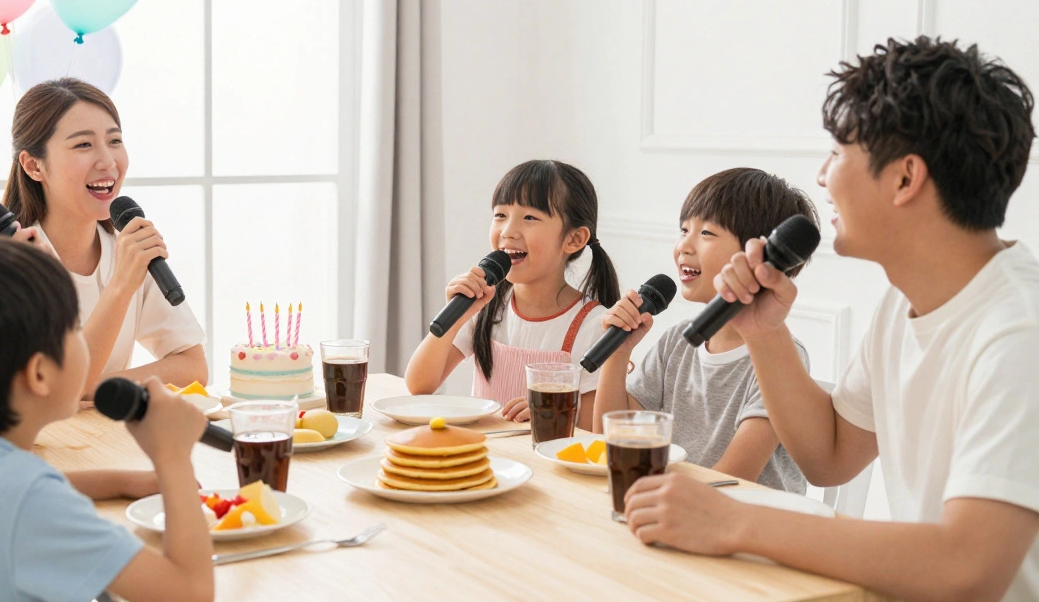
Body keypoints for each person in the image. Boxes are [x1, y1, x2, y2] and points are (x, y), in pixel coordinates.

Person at [620, 37, 1039, 602]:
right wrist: (765, 331)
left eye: (838, 153)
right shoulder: (904, 303)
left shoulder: (1018, 332)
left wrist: (736, 521)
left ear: (904, 178)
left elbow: (970, 566)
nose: (822, 176)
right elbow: (830, 456)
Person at [0, 238, 214, 601]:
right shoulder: (27, 502)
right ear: (40, 374)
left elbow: (2, 491)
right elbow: (191, 593)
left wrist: (124, 481)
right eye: (75, 329)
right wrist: (171, 457)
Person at [592, 168, 817, 492]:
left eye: (707, 233)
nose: (684, 245)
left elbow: (732, 478)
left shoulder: (781, 360)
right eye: (684, 230)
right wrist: (619, 351)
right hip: (676, 507)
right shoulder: (675, 344)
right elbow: (611, 441)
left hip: (745, 525)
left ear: (760, 256)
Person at [2, 79, 207, 398]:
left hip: (103, 443)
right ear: (33, 166)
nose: (108, 162)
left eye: (114, 141)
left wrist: (96, 388)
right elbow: (53, 392)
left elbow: (191, 367)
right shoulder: (11, 261)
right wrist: (121, 287)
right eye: (83, 145)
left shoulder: (127, 250)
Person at [406, 160, 620, 430]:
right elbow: (419, 385)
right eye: (500, 215)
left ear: (574, 239)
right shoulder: (486, 307)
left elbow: (596, 427)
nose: (508, 231)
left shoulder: (593, 325)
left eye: (529, 217)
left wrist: (551, 410)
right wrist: (454, 318)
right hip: (484, 459)